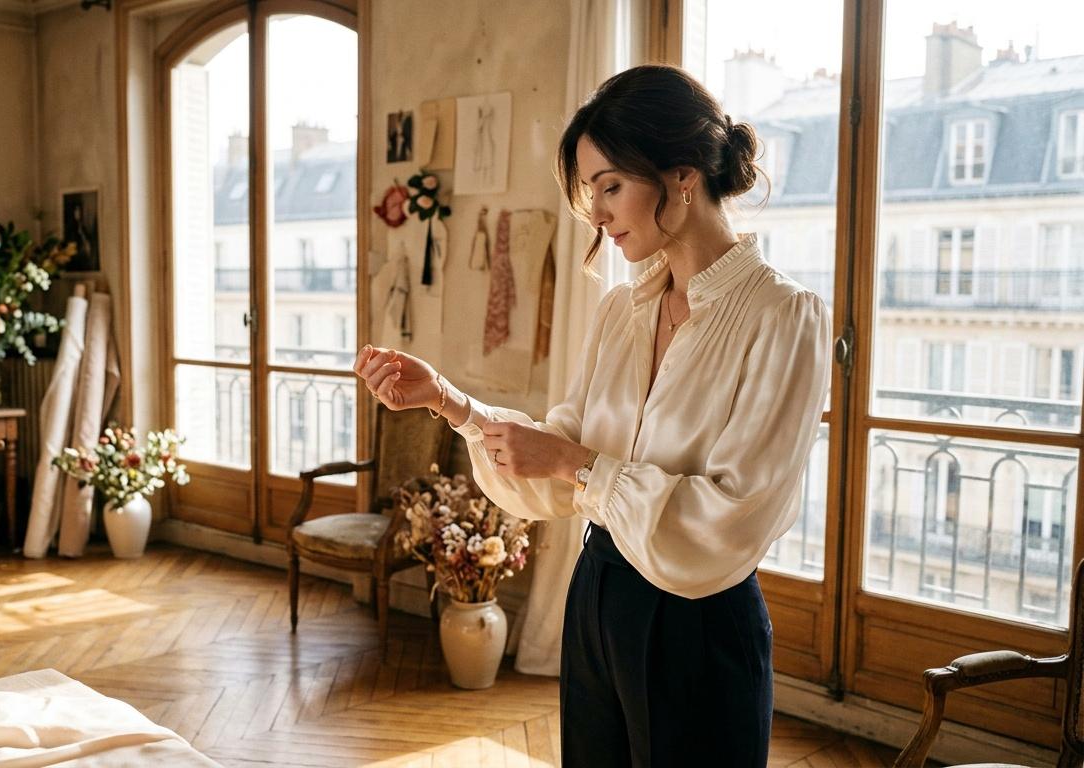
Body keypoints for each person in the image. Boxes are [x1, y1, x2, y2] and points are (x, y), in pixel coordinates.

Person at [353, 64, 831, 767]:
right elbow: (561, 452)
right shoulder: (622, 309)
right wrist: (447, 400)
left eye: (610, 186)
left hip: (698, 624)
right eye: (590, 191)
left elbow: (733, 515)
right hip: (600, 592)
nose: (597, 215)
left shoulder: (784, 317)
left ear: (683, 173)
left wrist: (578, 467)